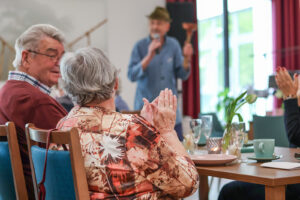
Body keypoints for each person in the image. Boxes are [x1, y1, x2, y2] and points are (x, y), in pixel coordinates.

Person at [56, 47, 199, 199]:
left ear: (69, 89)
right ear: (115, 83)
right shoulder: (132, 130)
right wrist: (166, 131)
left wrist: (146, 128)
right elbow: (188, 184)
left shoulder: (62, 126)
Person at [0, 24, 67, 199]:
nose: (59, 64)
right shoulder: (36, 102)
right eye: (52, 55)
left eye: (62, 57)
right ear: (27, 57)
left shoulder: (6, 91)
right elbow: (78, 154)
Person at [218, 66, 300, 200]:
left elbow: (295, 135)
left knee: (229, 192)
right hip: (292, 176)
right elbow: (296, 144)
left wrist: (290, 98)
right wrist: (296, 104)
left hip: (294, 184)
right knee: (231, 190)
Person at [127, 6, 193, 141]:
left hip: (170, 113)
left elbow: (183, 74)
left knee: (175, 153)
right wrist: (149, 56)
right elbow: (131, 75)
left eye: (159, 23)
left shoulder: (173, 45)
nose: (155, 27)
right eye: (152, 23)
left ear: (167, 26)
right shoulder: (139, 46)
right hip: (145, 115)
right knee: (145, 156)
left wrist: (187, 58)